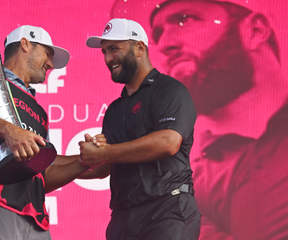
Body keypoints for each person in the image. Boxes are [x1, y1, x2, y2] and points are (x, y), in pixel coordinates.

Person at [111, 0, 288, 239]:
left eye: (184, 19)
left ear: (255, 30)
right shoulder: (188, 178)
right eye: (159, 34)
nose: (165, 44)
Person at [0, 25, 92, 240]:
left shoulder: (38, 110)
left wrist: (86, 161)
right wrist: (8, 130)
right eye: (47, 54)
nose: (50, 64)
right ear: (25, 44)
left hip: (34, 217)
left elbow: (42, 175)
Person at [79, 18, 200, 240]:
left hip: (167, 209)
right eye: (104, 51)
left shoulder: (170, 90)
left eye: (114, 49)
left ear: (140, 48)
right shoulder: (114, 109)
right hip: (123, 217)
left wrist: (104, 153)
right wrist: (86, 158)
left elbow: (168, 142)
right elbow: (105, 168)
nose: (107, 58)